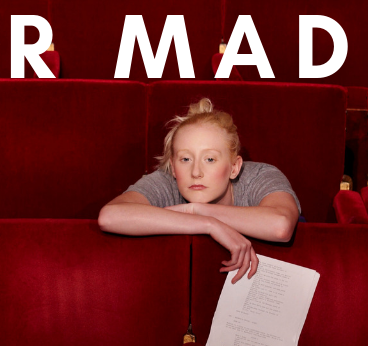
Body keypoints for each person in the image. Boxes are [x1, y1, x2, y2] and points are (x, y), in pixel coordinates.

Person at [98, 98, 300, 281]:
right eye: (185, 159)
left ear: (234, 167)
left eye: (210, 159)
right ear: (174, 166)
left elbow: (280, 226)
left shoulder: (259, 176)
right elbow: (110, 217)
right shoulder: (167, 181)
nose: (195, 172)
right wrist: (209, 225)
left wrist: (194, 209)